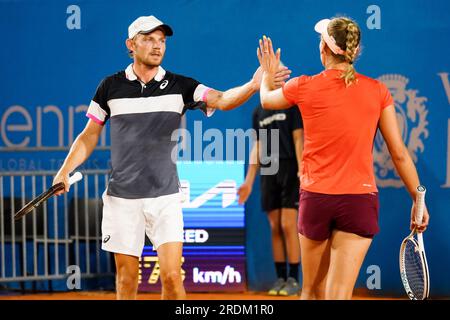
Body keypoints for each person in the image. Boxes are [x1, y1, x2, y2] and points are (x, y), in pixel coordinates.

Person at [52, 15, 291, 300]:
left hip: (165, 197)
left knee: (171, 277)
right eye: (149, 39)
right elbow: (89, 135)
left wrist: (253, 86)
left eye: (162, 40)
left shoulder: (181, 86)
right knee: (127, 280)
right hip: (121, 198)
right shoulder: (109, 87)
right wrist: (65, 170)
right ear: (131, 44)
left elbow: (223, 99)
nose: (157, 46)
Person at [257, 17, 429, 300]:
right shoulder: (378, 91)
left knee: (311, 291)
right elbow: (398, 153)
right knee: (338, 294)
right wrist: (418, 200)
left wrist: (267, 75)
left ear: (324, 47)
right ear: (353, 51)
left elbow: (266, 100)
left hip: (316, 199)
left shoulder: (303, 85)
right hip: (358, 201)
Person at [238, 103, 303, 296]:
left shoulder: (292, 107)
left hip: (290, 168)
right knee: (275, 226)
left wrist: (302, 169)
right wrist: (249, 182)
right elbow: (258, 145)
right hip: (268, 170)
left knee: (288, 225)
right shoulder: (258, 111)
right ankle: (281, 278)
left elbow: (299, 137)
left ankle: (294, 279)